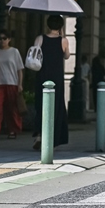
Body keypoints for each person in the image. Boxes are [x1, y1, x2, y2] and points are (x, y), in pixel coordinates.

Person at [31, 14, 70, 151]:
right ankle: (52, 138)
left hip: (42, 75)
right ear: (60, 26)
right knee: (56, 107)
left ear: (48, 25)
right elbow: (67, 56)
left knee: (41, 105)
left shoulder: (40, 38)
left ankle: (39, 136)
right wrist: (63, 34)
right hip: (56, 78)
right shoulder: (63, 41)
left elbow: (35, 54)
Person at [0, 31, 24, 140]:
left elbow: (19, 70)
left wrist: (20, 84)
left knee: (12, 108)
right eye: (0, 38)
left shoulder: (14, 52)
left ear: (9, 39)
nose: (2, 41)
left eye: (4, 38)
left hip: (12, 82)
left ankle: (13, 130)